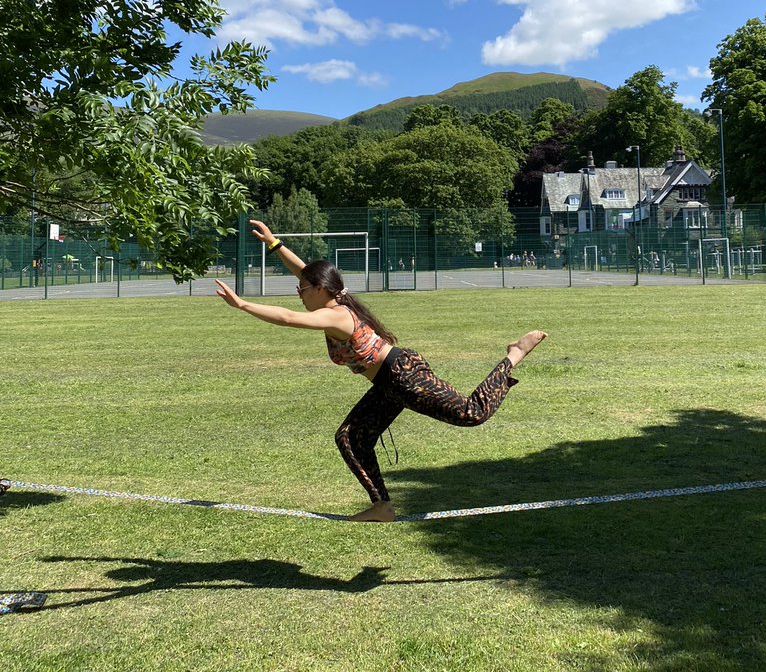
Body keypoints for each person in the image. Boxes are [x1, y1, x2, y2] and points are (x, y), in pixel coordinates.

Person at [215, 220, 546, 522]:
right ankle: (382, 506)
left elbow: (288, 318)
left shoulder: (336, 315)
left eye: (302, 290)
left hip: (402, 375)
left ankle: (514, 355)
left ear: (319, 290)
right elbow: (305, 272)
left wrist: (243, 304)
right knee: (350, 437)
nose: (298, 293)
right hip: (388, 383)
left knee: (473, 413)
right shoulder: (332, 299)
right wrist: (275, 244)